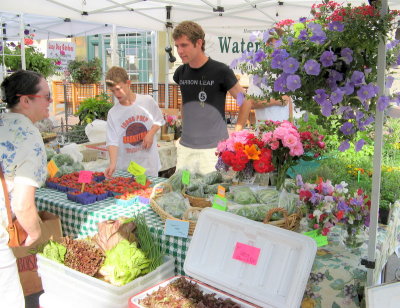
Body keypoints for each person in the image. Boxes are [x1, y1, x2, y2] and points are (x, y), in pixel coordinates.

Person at [172, 20, 252, 174]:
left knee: (211, 196)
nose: (180, 51)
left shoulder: (220, 70)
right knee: (183, 191)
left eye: (184, 45)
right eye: (177, 46)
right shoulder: (180, 72)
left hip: (212, 151)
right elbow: (186, 102)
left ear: (199, 43)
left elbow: (245, 102)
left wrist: (236, 134)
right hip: (185, 149)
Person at [0, 70, 49, 308]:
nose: (51, 102)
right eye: (46, 97)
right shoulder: (28, 135)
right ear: (25, 100)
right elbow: (22, 203)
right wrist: (35, 233)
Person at [105, 66, 164, 178]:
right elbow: (112, 142)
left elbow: (159, 120)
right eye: (113, 91)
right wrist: (112, 164)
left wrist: (150, 134)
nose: (117, 94)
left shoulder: (147, 101)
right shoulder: (113, 113)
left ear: (128, 83)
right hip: (127, 169)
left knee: (149, 194)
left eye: (119, 89)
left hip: (148, 165)